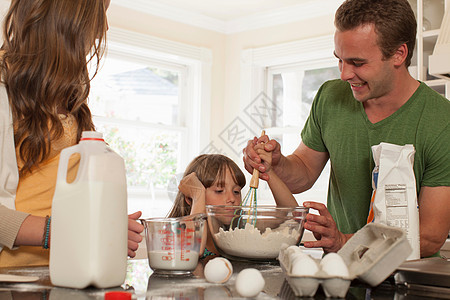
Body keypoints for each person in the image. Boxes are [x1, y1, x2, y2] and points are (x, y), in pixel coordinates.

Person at [243, 0, 449, 258]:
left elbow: (429, 237)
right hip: (337, 278)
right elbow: (304, 173)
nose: (344, 74)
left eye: (357, 63)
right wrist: (276, 163)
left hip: (405, 280)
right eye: (339, 60)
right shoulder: (330, 97)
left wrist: (345, 242)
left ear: (399, 54)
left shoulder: (442, 121)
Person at [0, 0, 144, 267]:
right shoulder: (3, 84)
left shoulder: (64, 93)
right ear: (66, 15)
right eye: (100, 13)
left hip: (63, 270)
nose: (105, 27)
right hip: (14, 276)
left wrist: (104, 224)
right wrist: (68, 229)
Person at [168, 153, 297, 258]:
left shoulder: (242, 230)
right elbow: (191, 254)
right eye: (219, 191)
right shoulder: (178, 233)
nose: (232, 199)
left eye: (236, 191)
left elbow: (292, 215)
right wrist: (198, 196)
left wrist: (268, 172)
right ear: (190, 199)